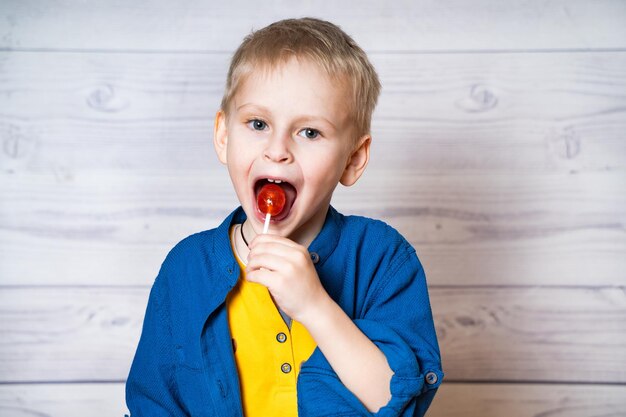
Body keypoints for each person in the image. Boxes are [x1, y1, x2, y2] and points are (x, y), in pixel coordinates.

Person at [125, 17, 443, 417]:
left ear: (353, 159)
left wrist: (314, 306)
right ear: (224, 136)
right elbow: (155, 403)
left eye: (309, 132)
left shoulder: (384, 259)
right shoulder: (185, 269)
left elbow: (395, 399)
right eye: (258, 124)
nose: (277, 150)